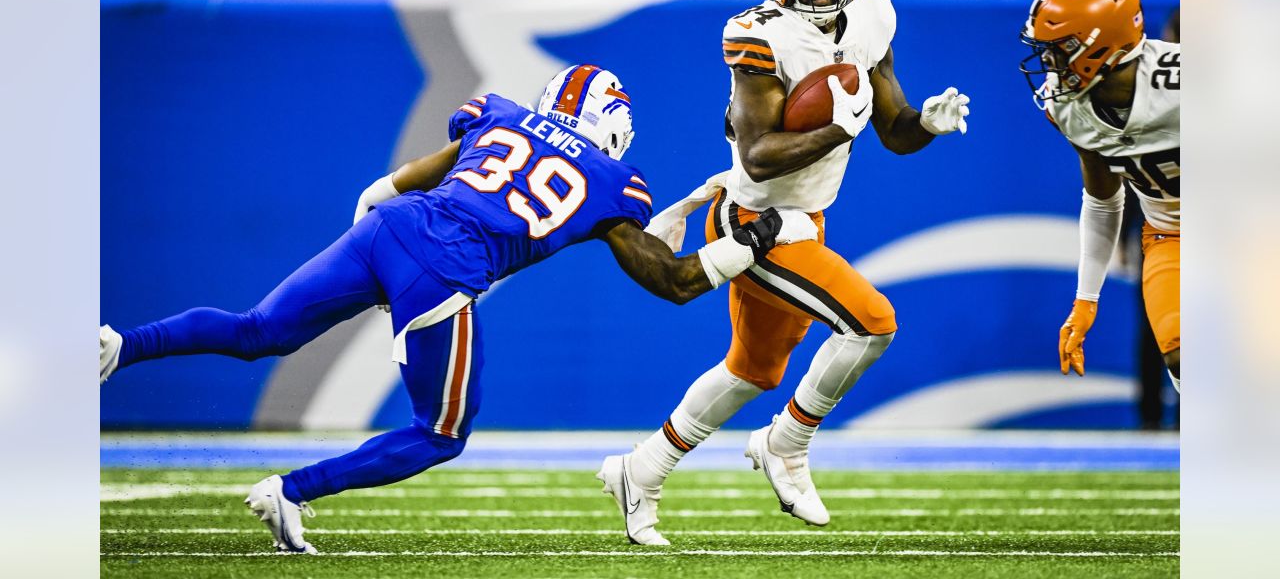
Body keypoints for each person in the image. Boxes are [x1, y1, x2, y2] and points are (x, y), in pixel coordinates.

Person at [99, 64, 815, 554]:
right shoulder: (612, 181)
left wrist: (375, 268)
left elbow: (385, 190)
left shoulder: (499, 115)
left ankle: (116, 347)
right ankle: (291, 491)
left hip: (385, 230)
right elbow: (676, 283)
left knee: (260, 331)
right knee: (441, 433)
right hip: (442, 274)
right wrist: (750, 244)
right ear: (615, 126)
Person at [597, 0, 971, 545]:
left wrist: (926, 124)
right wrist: (836, 129)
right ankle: (786, 444)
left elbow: (893, 128)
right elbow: (759, 156)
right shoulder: (758, 33)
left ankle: (642, 469)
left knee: (753, 369)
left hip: (808, 218)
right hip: (755, 224)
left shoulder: (874, 13)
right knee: (872, 322)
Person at [1019, 0, 1181, 393]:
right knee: (1182, 356)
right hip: (1171, 235)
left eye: (1058, 50)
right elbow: (1104, 199)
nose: (1049, 63)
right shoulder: (1071, 110)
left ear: (1098, 45)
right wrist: (1085, 298)